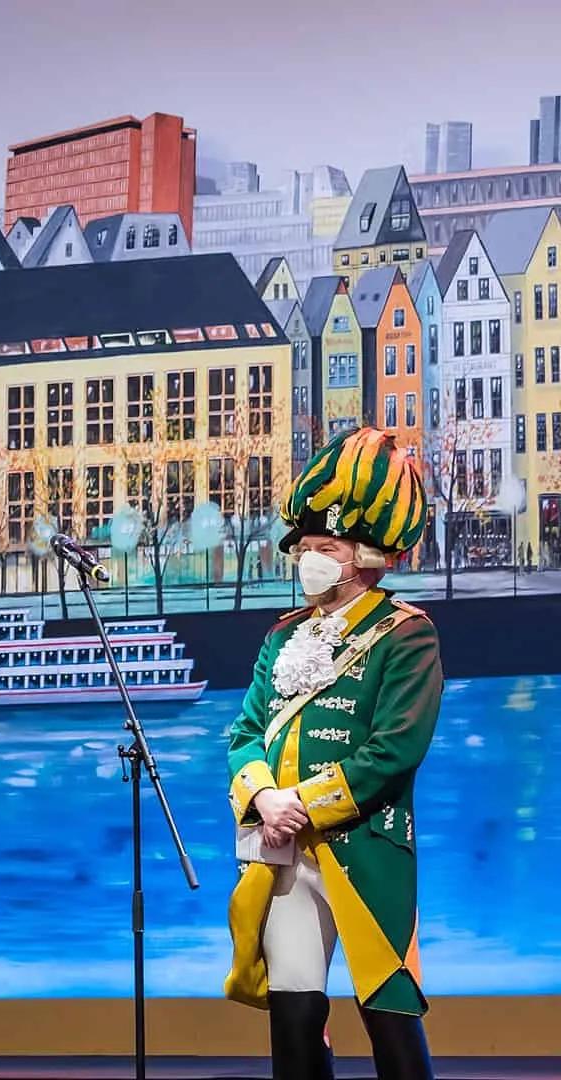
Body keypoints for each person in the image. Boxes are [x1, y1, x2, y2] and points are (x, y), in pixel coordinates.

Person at [226, 427, 440, 1080]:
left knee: (390, 1020)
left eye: (326, 547)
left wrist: (301, 804)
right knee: (294, 1017)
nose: (310, 559)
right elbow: (244, 735)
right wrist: (263, 797)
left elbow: (394, 751)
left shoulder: (406, 634)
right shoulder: (283, 634)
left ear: (363, 554)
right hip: (287, 854)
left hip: (366, 848)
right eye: (306, 547)